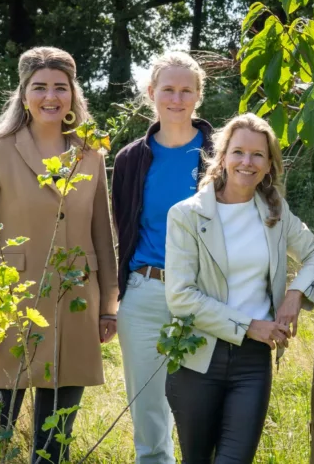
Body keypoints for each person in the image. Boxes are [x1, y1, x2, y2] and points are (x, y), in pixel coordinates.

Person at [0, 46, 118, 463]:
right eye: (40, 86)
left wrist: (109, 307)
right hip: (7, 312)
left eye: (60, 87)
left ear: (73, 94)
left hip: (75, 308)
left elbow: (103, 234)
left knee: (53, 450)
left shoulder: (91, 153)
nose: (51, 96)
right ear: (24, 92)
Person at [163, 113, 314, 463]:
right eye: (238, 152)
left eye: (258, 155)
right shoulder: (186, 216)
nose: (247, 162)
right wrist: (249, 326)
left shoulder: (275, 212)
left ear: (270, 164)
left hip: (252, 362)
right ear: (221, 157)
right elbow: (180, 297)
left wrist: (295, 293)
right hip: (197, 359)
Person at [111, 51, 213, 464]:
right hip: (146, 290)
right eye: (167, 89)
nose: (176, 98)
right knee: (149, 408)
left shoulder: (222, 152)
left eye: (186, 90)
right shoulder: (130, 159)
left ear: (198, 96)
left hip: (208, 292)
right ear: (151, 93)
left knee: (200, 402)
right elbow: (122, 228)